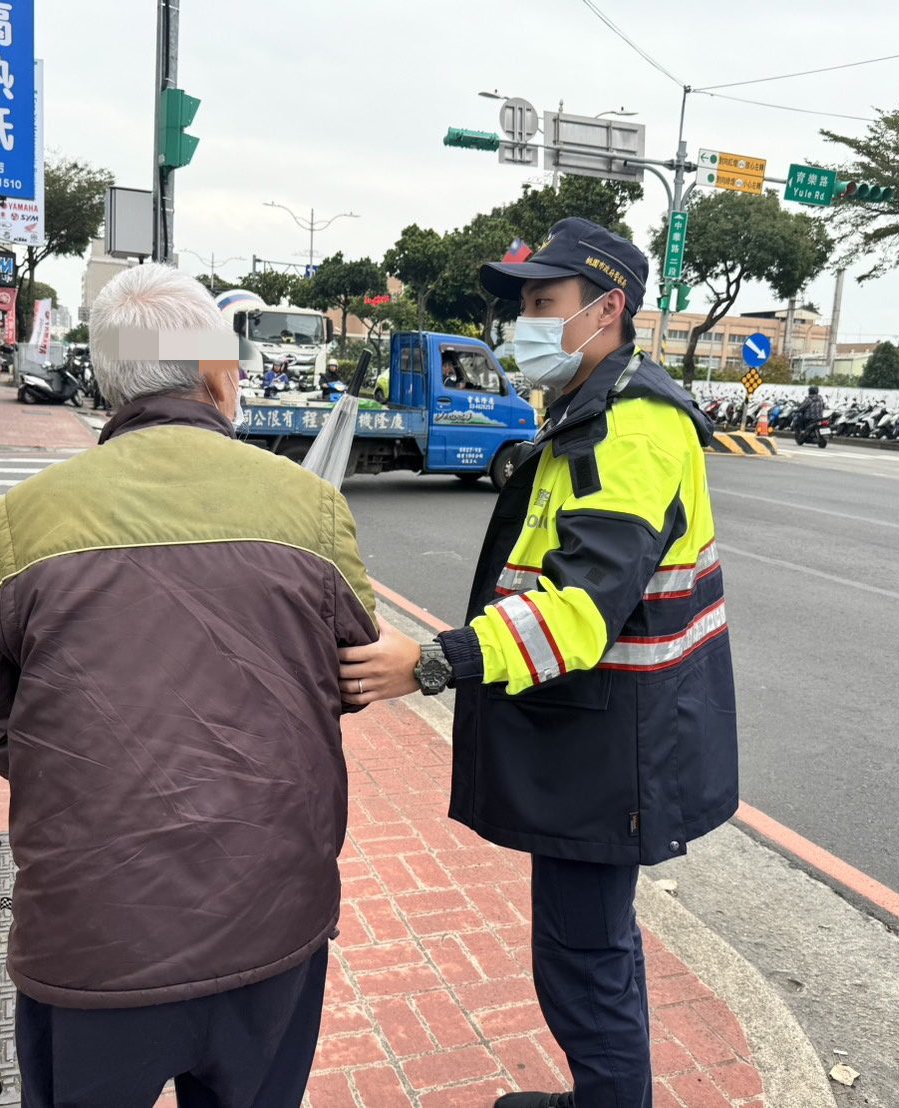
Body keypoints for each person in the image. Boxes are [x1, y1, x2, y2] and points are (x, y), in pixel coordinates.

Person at [0, 264, 378, 1108]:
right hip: (271, 917)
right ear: (216, 371)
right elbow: (348, 679)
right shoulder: (309, 508)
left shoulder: (22, 520)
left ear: (109, 383)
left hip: (89, 937)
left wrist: (97, 773)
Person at [338, 217, 739, 1108]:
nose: (524, 320)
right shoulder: (590, 406)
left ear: (608, 309)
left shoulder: (629, 426)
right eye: (522, 302)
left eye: (543, 301)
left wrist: (431, 663)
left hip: (614, 744)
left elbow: (582, 612)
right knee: (591, 942)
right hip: (603, 735)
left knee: (582, 955)